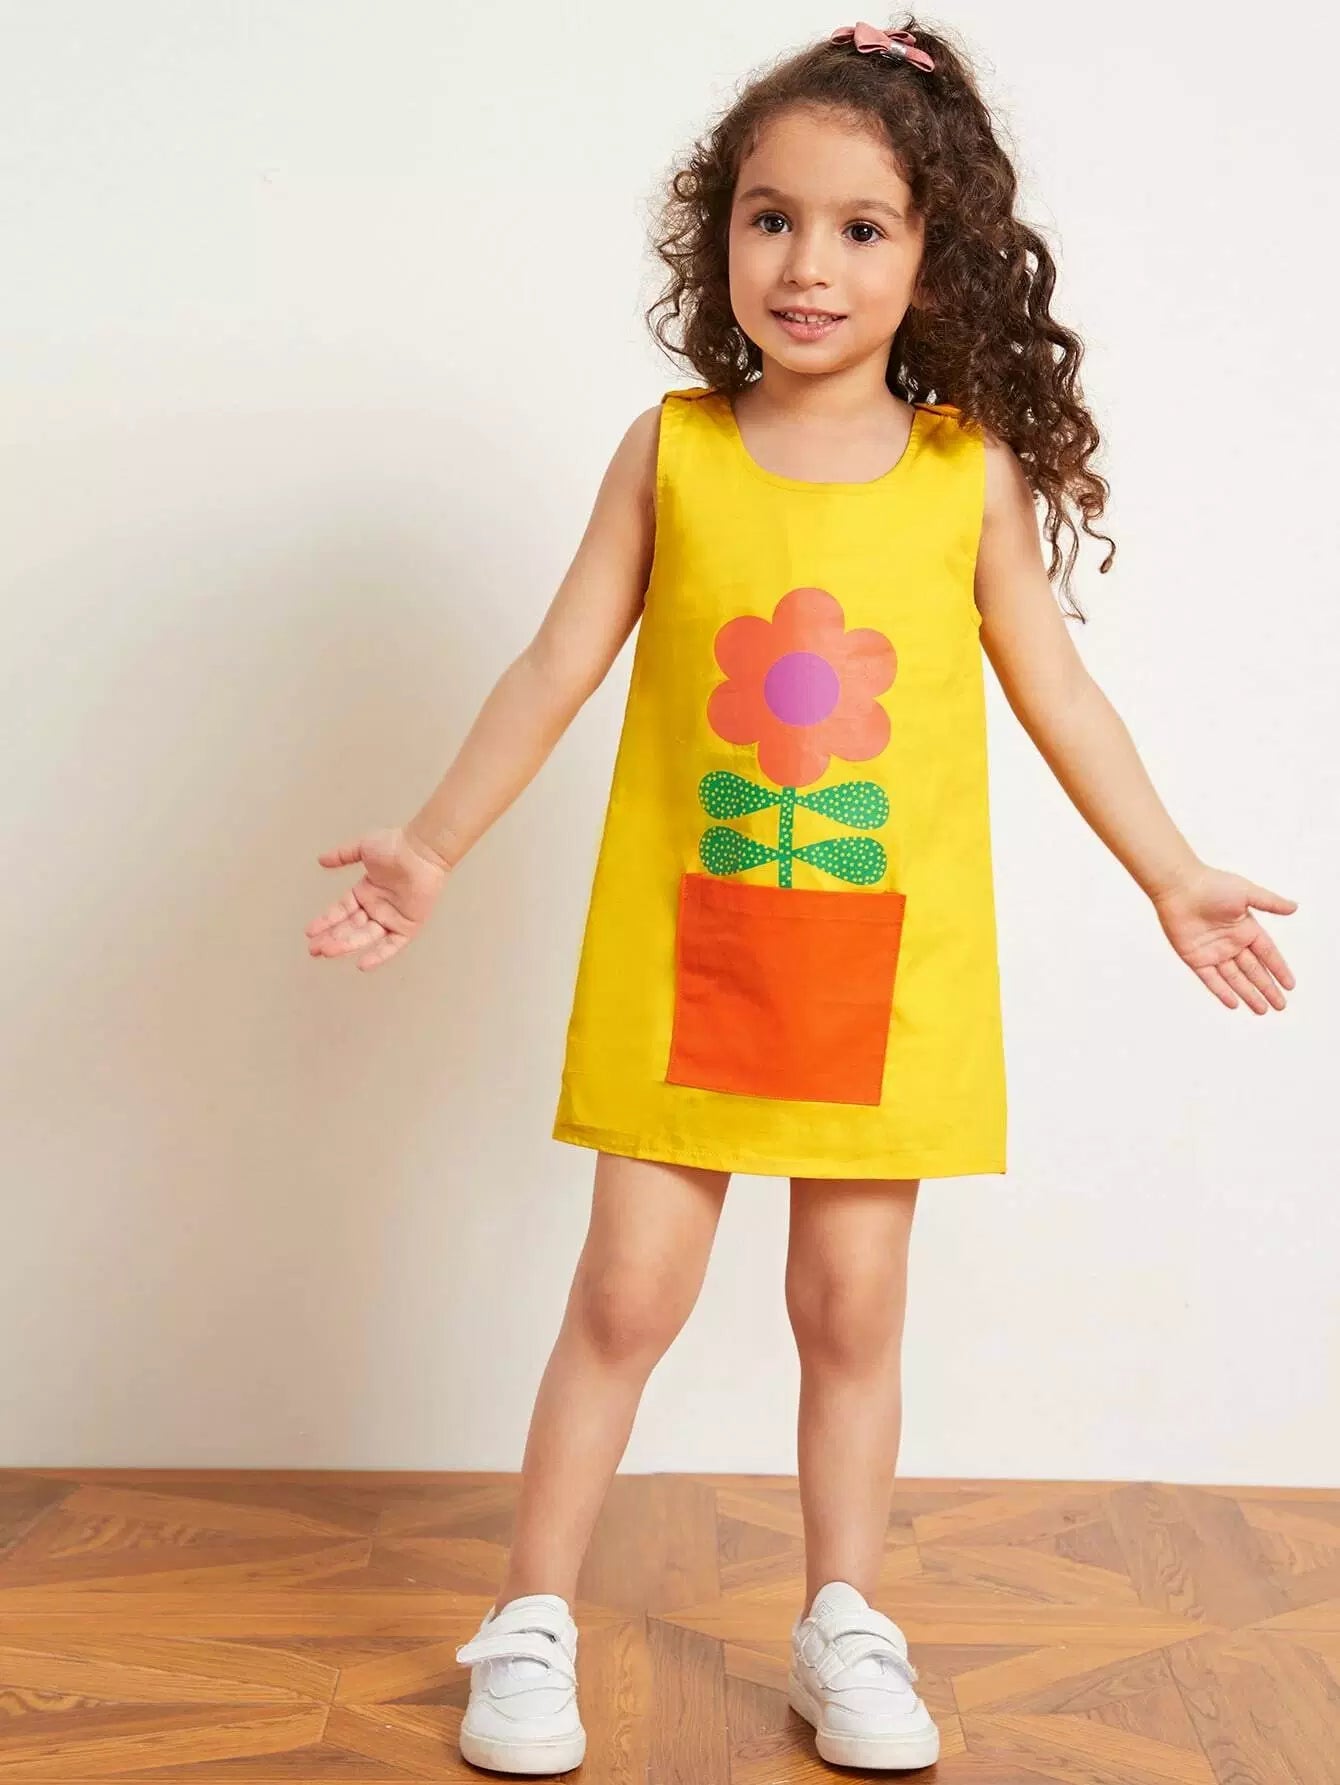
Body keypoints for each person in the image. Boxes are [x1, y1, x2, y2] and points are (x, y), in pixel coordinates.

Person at [304, 14, 1299, 1775]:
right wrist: (434, 843)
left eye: (860, 227)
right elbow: (552, 664)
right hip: (685, 950)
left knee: (851, 1311)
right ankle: (530, 1618)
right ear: (722, 235)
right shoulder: (670, 450)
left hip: (881, 967)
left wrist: (1173, 872)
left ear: (934, 255)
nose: (808, 265)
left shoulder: (965, 475)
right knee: (625, 1297)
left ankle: (844, 1620)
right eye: (771, 219)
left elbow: (1063, 696)